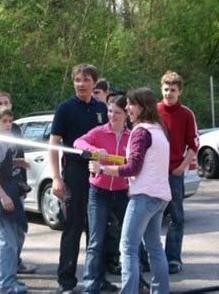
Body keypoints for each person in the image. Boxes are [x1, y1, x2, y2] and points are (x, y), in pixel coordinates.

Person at [89, 88, 171, 294]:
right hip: (160, 197)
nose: (127, 108)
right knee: (154, 248)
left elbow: (133, 167)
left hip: (144, 197)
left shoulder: (141, 131)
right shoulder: (159, 129)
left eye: (130, 105)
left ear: (142, 107)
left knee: (127, 248)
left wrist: (103, 169)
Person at [49, 63, 110, 293]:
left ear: (95, 82)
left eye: (86, 79)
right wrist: (56, 178)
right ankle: (66, 282)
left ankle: (97, 278)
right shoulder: (64, 109)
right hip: (74, 173)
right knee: (73, 228)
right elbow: (53, 146)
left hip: (100, 172)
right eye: (77, 79)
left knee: (99, 228)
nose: (81, 84)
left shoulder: (102, 108)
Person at [73, 95, 130, 293]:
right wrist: (94, 150)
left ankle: (134, 282)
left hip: (122, 193)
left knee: (129, 239)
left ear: (126, 115)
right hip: (99, 192)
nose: (112, 116)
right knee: (96, 241)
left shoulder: (131, 136)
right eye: (110, 111)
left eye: (117, 113)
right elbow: (78, 144)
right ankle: (90, 286)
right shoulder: (99, 131)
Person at [0, 108, 28, 294]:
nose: (8, 124)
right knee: (5, 243)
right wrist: (2, 195)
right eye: (4, 121)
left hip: (10, 191)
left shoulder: (5, 141)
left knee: (16, 237)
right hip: (1, 196)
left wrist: (17, 162)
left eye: (10, 121)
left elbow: (1, 163)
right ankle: (6, 285)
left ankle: (10, 280)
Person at [0, 91, 36, 275]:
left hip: (16, 184)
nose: (4, 105)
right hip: (1, 188)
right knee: (3, 235)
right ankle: (2, 270)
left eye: (6, 102)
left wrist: (23, 182)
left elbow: (17, 155)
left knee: (18, 229)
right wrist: (0, 194)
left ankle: (14, 264)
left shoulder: (15, 128)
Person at [157, 71, 198, 274]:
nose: (169, 93)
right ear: (161, 89)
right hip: (154, 174)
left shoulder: (186, 114)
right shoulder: (153, 111)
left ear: (179, 91)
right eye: (166, 89)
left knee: (176, 217)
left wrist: (182, 167)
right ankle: (151, 258)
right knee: (149, 217)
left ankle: (173, 258)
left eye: (173, 90)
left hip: (174, 173)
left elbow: (193, 145)